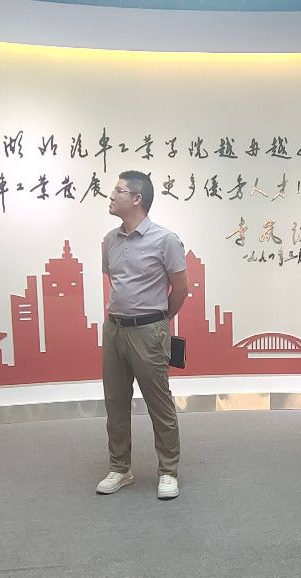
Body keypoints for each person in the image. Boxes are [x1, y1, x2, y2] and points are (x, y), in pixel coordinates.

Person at [95, 170, 189, 500]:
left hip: (149, 331)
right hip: (114, 329)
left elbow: (181, 289)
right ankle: (120, 468)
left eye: (118, 190)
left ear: (137, 199)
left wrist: (160, 321)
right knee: (115, 402)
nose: (111, 195)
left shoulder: (165, 240)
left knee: (159, 403)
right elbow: (116, 282)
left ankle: (168, 471)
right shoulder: (110, 240)